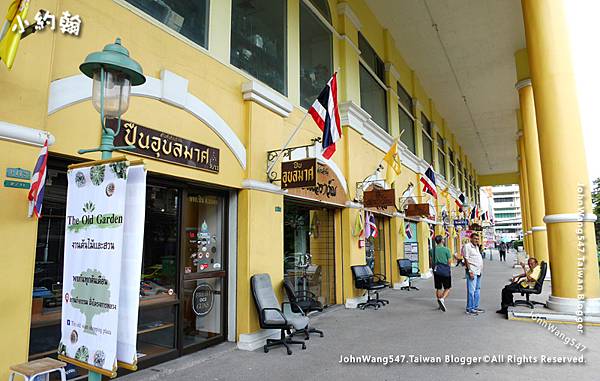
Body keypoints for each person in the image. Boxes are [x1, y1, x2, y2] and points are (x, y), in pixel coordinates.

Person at [463, 233, 484, 315]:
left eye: (477, 239)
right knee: (471, 291)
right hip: (472, 271)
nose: (476, 240)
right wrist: (470, 271)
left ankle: (475, 307)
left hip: (478, 271)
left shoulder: (476, 247)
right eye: (475, 238)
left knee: (477, 290)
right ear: (471, 238)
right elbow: (466, 259)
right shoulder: (467, 246)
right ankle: (469, 308)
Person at [432, 235, 452, 312]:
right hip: (445, 270)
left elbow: (432, 261)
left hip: (436, 270)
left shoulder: (432, 250)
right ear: (442, 241)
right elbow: (449, 261)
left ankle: (440, 304)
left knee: (438, 288)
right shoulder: (446, 250)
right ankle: (442, 299)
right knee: (447, 287)